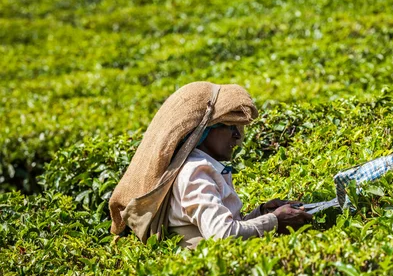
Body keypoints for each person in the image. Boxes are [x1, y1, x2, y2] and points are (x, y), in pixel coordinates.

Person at [109, 82, 311, 248]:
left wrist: (263, 212)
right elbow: (222, 236)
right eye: (228, 126)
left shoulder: (197, 167)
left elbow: (221, 227)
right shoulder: (195, 171)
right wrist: (275, 221)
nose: (236, 135)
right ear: (205, 131)